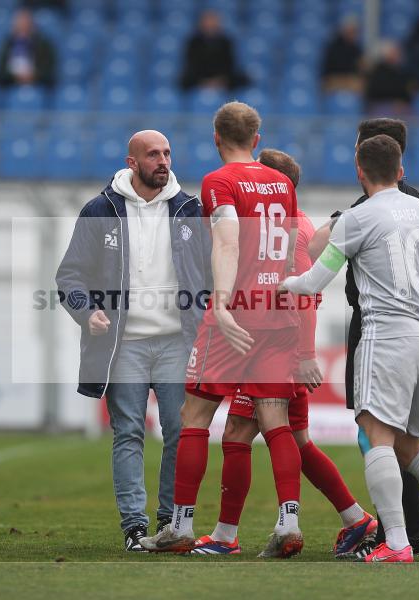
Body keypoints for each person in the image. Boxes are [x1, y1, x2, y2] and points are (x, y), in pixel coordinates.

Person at [282, 135, 419, 563]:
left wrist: (280, 285)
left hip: (384, 336)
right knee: (409, 447)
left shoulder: (357, 218)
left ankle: (398, 543)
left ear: (359, 172)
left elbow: (311, 282)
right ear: (401, 171)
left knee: (376, 435)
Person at [190, 149, 377, 558]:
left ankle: (228, 535)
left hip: (277, 347)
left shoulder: (286, 231)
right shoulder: (282, 224)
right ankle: (355, 518)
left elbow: (303, 295)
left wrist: (304, 354)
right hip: (279, 344)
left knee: (239, 434)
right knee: (298, 441)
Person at [140, 102, 303, 558]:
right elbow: (289, 248)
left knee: (193, 418)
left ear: (216, 138)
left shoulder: (219, 182)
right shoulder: (283, 182)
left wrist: (226, 304)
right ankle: (288, 521)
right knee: (275, 418)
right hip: (278, 313)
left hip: (237, 313)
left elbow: (228, 238)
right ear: (257, 139)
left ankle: (180, 526)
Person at [55, 130, 210, 552]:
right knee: (128, 433)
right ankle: (134, 528)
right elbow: (69, 276)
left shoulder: (192, 210)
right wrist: (87, 312)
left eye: (167, 153)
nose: (163, 161)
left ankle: (171, 521)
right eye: (153, 154)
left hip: (178, 342)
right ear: (132, 162)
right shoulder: (99, 210)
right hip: (124, 346)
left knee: (181, 431)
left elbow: (212, 272)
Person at [308, 118, 419, 558]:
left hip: (381, 325)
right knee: (392, 437)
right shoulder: (407, 203)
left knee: (380, 435)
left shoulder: (379, 205)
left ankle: (402, 534)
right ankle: (416, 530)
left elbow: (315, 253)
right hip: (404, 327)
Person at [179, 10, 249, 91]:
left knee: (243, 79)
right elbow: (191, 64)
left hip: (223, 79)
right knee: (184, 80)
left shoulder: (226, 42)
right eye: (207, 21)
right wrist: (204, 82)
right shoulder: (193, 42)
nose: (210, 24)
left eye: (212, 22)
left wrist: (219, 81)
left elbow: (230, 64)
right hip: (199, 79)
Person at [0, 8, 56, 88]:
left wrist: (34, 76)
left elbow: (48, 67)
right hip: (11, 84)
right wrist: (14, 76)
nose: (23, 25)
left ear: (32, 24)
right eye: (20, 22)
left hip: (37, 84)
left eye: (26, 22)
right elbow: (1, 67)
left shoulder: (43, 44)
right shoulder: (7, 44)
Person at [364, 42, 414, 115]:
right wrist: (394, 102)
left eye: (397, 53)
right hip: (380, 105)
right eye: (393, 53)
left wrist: (403, 102)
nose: (396, 56)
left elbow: (406, 93)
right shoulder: (378, 71)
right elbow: (374, 92)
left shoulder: (402, 72)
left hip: (398, 106)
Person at [320, 16, 364, 93]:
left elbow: (360, 68)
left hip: (350, 79)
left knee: (360, 84)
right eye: (351, 31)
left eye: (355, 32)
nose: (353, 34)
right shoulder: (333, 47)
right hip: (334, 78)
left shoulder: (356, 49)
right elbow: (329, 68)